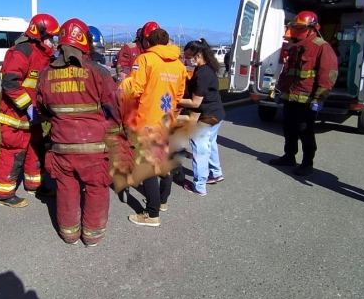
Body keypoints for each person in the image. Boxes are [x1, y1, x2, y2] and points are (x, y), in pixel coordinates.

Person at [35, 18, 123, 246]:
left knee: (66, 188)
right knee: (96, 188)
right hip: (94, 148)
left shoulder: (46, 74)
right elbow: (114, 108)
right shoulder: (99, 72)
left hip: (61, 147)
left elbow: (41, 108)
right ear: (86, 42)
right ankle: (93, 235)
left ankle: (69, 234)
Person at [122, 21, 187, 227]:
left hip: (148, 119)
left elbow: (135, 87)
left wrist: (120, 87)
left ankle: (152, 213)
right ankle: (163, 201)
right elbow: (179, 94)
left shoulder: (145, 59)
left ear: (148, 41)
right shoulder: (179, 64)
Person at [0, 13, 59, 208]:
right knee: (13, 152)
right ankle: (4, 194)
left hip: (33, 117)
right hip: (15, 116)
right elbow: (10, 83)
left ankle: (35, 184)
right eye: (50, 37)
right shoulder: (22, 52)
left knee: (36, 149)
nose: (53, 41)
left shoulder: (42, 54)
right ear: (39, 34)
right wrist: (27, 106)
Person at [269, 11, 338, 176]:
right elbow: (287, 72)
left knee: (305, 131)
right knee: (289, 128)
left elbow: (328, 75)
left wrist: (319, 98)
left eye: (300, 28)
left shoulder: (322, 47)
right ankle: (289, 156)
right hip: (290, 97)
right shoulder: (295, 47)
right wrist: (280, 90)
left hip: (307, 100)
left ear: (313, 28)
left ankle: (308, 162)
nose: (296, 31)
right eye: (295, 28)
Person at [178, 38, 226, 196]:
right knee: (211, 143)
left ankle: (199, 185)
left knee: (199, 149)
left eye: (187, 57)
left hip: (207, 115)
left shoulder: (202, 74)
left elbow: (194, 102)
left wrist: (172, 99)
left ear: (197, 55)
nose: (186, 60)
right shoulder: (205, 69)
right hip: (217, 113)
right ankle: (216, 172)